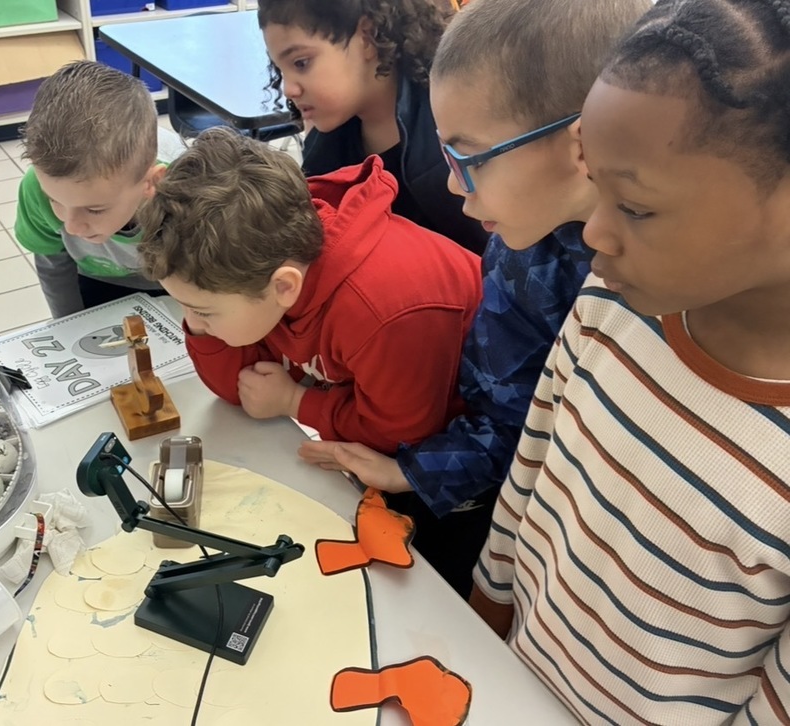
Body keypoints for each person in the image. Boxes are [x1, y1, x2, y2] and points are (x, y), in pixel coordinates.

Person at [470, 0, 790, 722]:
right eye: (598, 190)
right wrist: (482, 611)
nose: (594, 233)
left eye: (636, 207)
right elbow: (533, 467)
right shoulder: (611, 298)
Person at [300, 0, 650, 598]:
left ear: (582, 145)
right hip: (533, 549)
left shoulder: (664, 279)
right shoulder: (520, 250)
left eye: (468, 157)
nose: (454, 184)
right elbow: (503, 414)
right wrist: (407, 470)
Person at [137, 127, 482, 454]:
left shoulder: (382, 313)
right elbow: (242, 389)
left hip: (470, 449)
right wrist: (203, 323)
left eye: (202, 311)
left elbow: (402, 438)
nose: (193, 320)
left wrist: (295, 402)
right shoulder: (261, 262)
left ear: (285, 287)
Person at [256, 0, 488, 255]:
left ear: (367, 37)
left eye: (301, 63)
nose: (288, 89)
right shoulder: (327, 149)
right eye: (280, 69)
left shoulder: (457, 124)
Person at [15, 61, 186, 318]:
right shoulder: (36, 187)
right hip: (98, 279)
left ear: (151, 183)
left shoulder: (186, 191)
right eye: (55, 201)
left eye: (94, 209)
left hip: (179, 280)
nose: (71, 227)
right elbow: (54, 266)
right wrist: (69, 325)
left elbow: (207, 281)